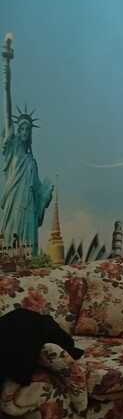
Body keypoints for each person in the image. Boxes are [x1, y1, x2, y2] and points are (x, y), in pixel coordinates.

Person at [0, 33, 53, 256]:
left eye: (27, 129)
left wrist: (46, 191)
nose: (23, 132)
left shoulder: (32, 161)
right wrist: (6, 68)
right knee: (10, 250)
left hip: (29, 210)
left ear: (30, 133)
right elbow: (7, 106)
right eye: (21, 128)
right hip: (13, 206)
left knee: (28, 252)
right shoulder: (11, 151)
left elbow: (38, 193)